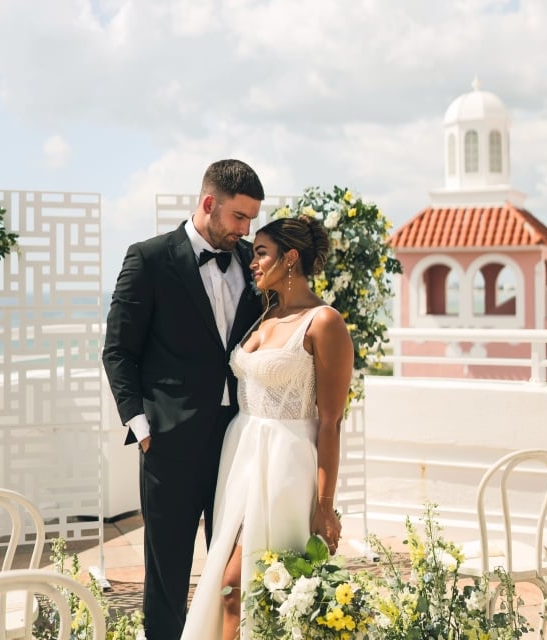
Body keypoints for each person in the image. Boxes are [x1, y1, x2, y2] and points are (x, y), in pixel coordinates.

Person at [101, 159, 265, 640]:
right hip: (168, 444)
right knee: (167, 572)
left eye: (252, 220)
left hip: (236, 438)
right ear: (209, 203)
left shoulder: (252, 262)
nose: (246, 230)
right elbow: (118, 350)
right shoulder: (149, 259)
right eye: (238, 217)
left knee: (232, 566)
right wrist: (141, 426)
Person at [180, 214, 355, 640]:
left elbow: (331, 421)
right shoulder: (266, 316)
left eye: (261, 253)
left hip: (286, 466)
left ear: (290, 258)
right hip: (241, 459)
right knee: (235, 586)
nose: (252, 262)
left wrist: (324, 504)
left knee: (241, 587)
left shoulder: (323, 322)